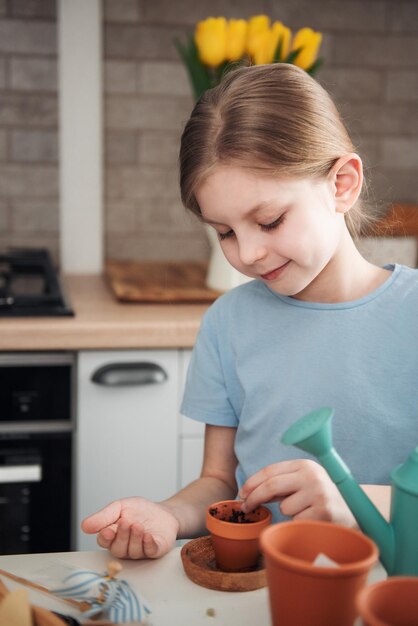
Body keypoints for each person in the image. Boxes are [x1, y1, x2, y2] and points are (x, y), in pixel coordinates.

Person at [82, 63, 418, 560]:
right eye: (225, 232)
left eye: (269, 220)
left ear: (341, 185)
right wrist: (168, 515)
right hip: (263, 591)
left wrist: (350, 500)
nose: (249, 253)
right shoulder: (228, 323)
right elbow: (218, 482)